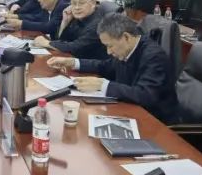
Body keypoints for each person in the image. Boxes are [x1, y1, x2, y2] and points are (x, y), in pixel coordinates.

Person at [46, 13, 177, 123]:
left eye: (110, 46)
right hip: (129, 111)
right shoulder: (126, 48)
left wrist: (102, 85)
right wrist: (72, 62)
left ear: (126, 37)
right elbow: (105, 66)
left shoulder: (154, 56)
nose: (108, 52)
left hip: (155, 122)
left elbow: (145, 95)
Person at [33, 0, 110, 60]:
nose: (77, 7)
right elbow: (61, 40)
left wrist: (47, 43)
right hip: (75, 60)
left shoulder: (97, 24)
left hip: (92, 65)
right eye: (73, 3)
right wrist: (64, 22)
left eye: (81, 3)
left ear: (93, 3)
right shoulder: (77, 17)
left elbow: (75, 48)